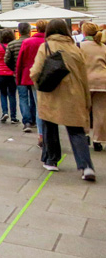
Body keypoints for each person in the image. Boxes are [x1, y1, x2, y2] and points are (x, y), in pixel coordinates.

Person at [30, 18, 95, 181]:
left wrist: (38, 83)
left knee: (49, 126)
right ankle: (86, 166)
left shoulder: (45, 46)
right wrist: (86, 98)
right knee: (76, 130)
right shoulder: (75, 48)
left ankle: (51, 160)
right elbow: (84, 76)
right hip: (75, 94)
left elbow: (35, 72)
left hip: (51, 93)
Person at [17, 20, 47, 142]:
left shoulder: (28, 42)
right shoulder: (50, 42)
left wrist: (19, 78)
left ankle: (40, 134)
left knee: (36, 103)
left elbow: (20, 62)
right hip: (52, 77)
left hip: (32, 76)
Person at [81, 22, 106, 152]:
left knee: (84, 110)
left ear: (84, 32)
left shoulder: (79, 46)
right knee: (100, 112)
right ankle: (98, 140)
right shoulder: (103, 47)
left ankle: (85, 135)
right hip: (103, 82)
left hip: (85, 82)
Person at [0, 29, 19, 124]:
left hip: (0, 74)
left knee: (3, 93)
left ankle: (4, 112)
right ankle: (13, 117)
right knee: (12, 94)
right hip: (12, 73)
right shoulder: (13, 46)